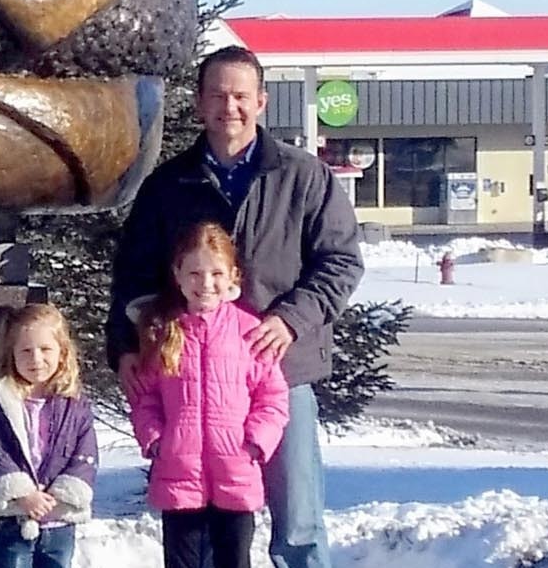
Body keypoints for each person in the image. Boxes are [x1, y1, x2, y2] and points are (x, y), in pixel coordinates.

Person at [107, 45, 365, 568]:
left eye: (242, 96)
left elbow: (340, 262)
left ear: (262, 102)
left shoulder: (303, 176)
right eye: (218, 95)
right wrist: (126, 346)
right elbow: (132, 276)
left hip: (279, 374)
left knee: (299, 524)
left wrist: (292, 320)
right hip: (192, 385)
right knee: (202, 534)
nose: (231, 107)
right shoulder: (167, 186)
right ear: (200, 104)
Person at [128, 221, 290, 568]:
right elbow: (146, 398)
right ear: (178, 274)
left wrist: (256, 442)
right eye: (195, 273)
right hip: (179, 474)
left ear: (233, 275)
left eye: (216, 273)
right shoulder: (164, 332)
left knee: (233, 560)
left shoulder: (250, 331)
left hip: (236, 472)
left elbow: (272, 398)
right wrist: (156, 439)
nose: (205, 284)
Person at [0, 303, 99, 568]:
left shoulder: (76, 406)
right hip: (12, 519)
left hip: (58, 522)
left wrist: (61, 495)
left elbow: (86, 454)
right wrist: (23, 495)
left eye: (45, 349)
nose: (36, 359)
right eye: (26, 351)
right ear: (11, 354)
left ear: (62, 353)